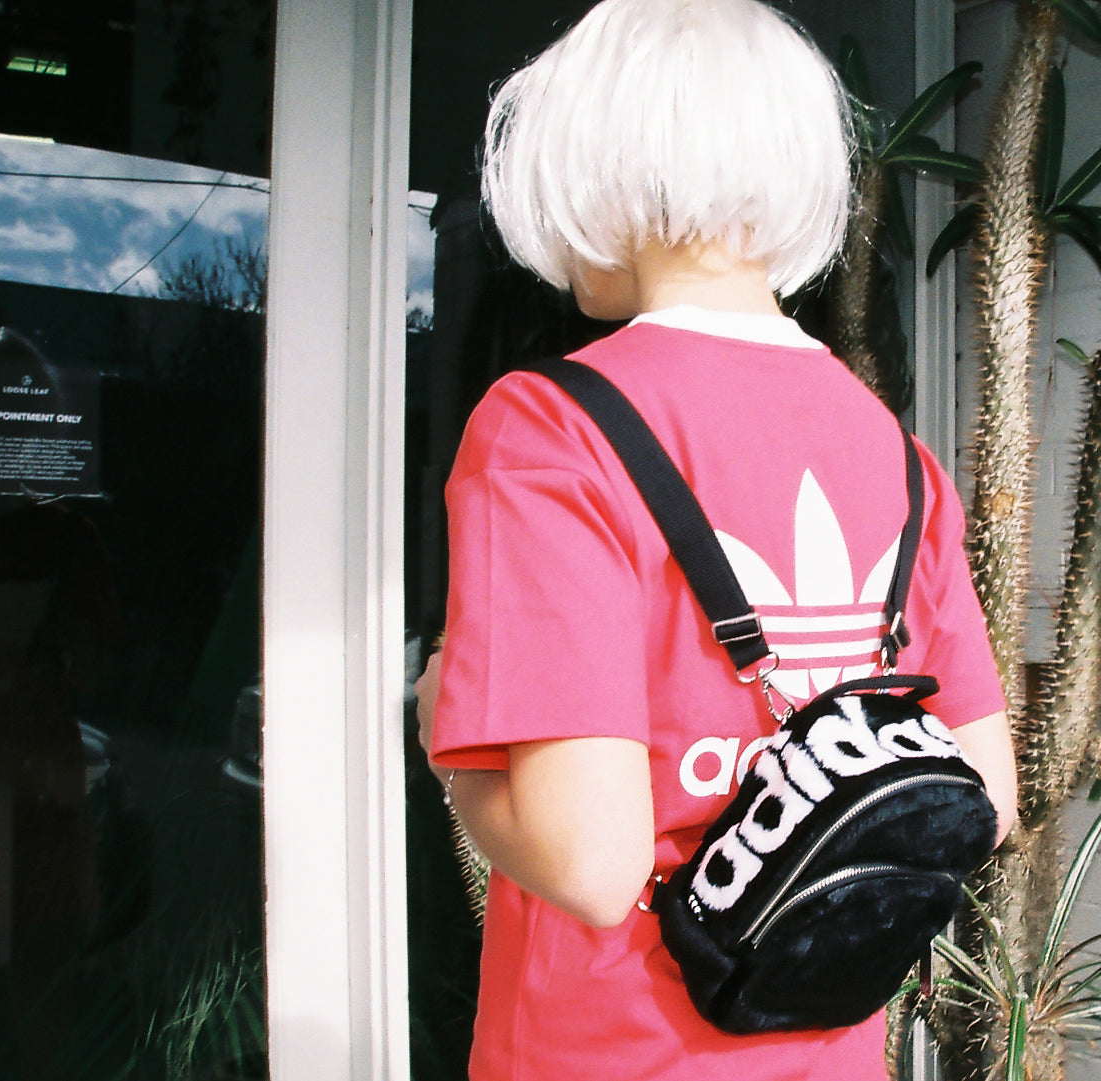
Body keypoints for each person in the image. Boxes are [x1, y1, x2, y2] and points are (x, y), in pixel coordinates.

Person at [415, 1, 1017, 1077]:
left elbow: (590, 866)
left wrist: (444, 745)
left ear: (594, 172)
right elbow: (987, 797)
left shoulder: (548, 428)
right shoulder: (895, 455)